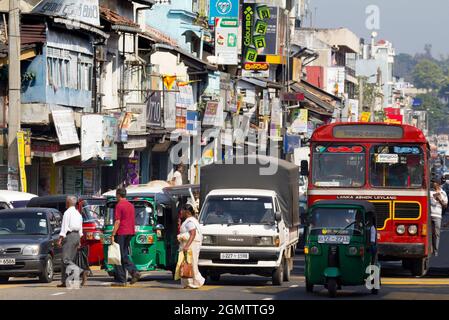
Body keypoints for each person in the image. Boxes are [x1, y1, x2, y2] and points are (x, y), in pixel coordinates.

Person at [110, 187, 141, 287]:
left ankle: (125, 276)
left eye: (116, 195)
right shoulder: (130, 205)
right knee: (123, 254)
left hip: (122, 232)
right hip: (130, 232)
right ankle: (127, 275)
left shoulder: (119, 205)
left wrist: (113, 234)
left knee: (119, 255)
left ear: (118, 195)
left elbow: (117, 221)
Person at [57, 196, 84, 288]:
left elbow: (64, 227)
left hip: (70, 236)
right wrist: (79, 240)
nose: (65, 203)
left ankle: (80, 271)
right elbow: (80, 228)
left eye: (66, 201)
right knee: (70, 260)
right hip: (76, 236)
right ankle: (67, 282)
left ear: (68, 203)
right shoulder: (78, 213)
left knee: (65, 259)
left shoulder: (67, 213)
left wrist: (60, 238)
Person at [177, 204, 205, 289]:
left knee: (192, 264)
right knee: (186, 264)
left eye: (182, 210)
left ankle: (198, 281)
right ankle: (188, 282)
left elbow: (193, 234)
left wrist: (187, 246)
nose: (180, 212)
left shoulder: (190, 222)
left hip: (191, 245)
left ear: (187, 212)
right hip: (190, 245)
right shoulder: (189, 220)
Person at [430, 179, 448, 257]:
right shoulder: (429, 192)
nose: (433, 185)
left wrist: (439, 199)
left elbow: (445, 205)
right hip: (429, 215)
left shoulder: (443, 193)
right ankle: (430, 248)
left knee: (436, 233)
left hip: (437, 215)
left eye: (434, 183)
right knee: (429, 233)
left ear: (438, 184)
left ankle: (435, 250)